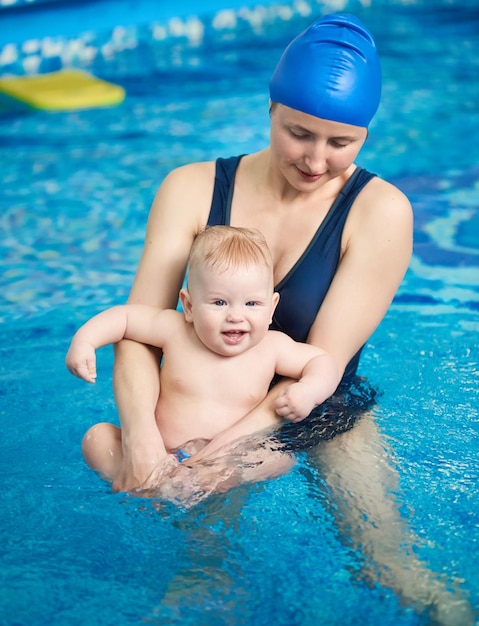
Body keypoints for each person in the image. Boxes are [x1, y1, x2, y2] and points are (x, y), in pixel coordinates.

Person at [77, 13, 475, 623]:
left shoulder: (379, 212)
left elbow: (322, 366)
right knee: (200, 569)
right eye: (299, 133)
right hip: (197, 398)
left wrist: (222, 454)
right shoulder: (190, 189)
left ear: (365, 134)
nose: (316, 160)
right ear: (270, 108)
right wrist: (142, 439)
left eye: (341, 142)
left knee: (390, 569)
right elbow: (139, 331)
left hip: (313, 408)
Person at [67, 226, 338, 483]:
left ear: (271, 307)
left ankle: (188, 488)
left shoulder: (273, 347)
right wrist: (85, 341)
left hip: (225, 460)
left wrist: (309, 391)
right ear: (189, 305)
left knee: (278, 459)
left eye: (252, 303)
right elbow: (125, 318)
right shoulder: (176, 331)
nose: (236, 316)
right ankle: (148, 485)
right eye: (219, 302)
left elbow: (323, 361)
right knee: (97, 438)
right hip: (157, 454)